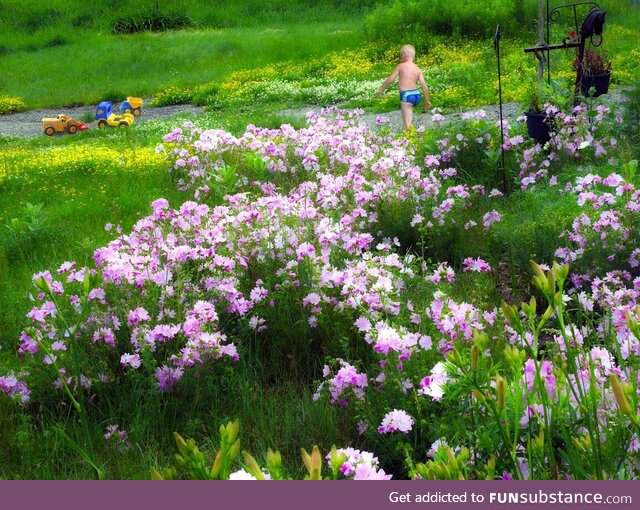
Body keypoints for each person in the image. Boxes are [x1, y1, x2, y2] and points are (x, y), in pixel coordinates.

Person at [375, 44, 431, 130]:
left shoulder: (400, 66)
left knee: (406, 123)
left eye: (400, 55)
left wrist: (381, 89)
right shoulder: (417, 69)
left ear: (403, 55)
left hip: (407, 96)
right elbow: (424, 86)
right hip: (416, 95)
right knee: (409, 119)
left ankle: (409, 140)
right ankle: (411, 137)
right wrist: (427, 100)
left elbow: (390, 79)